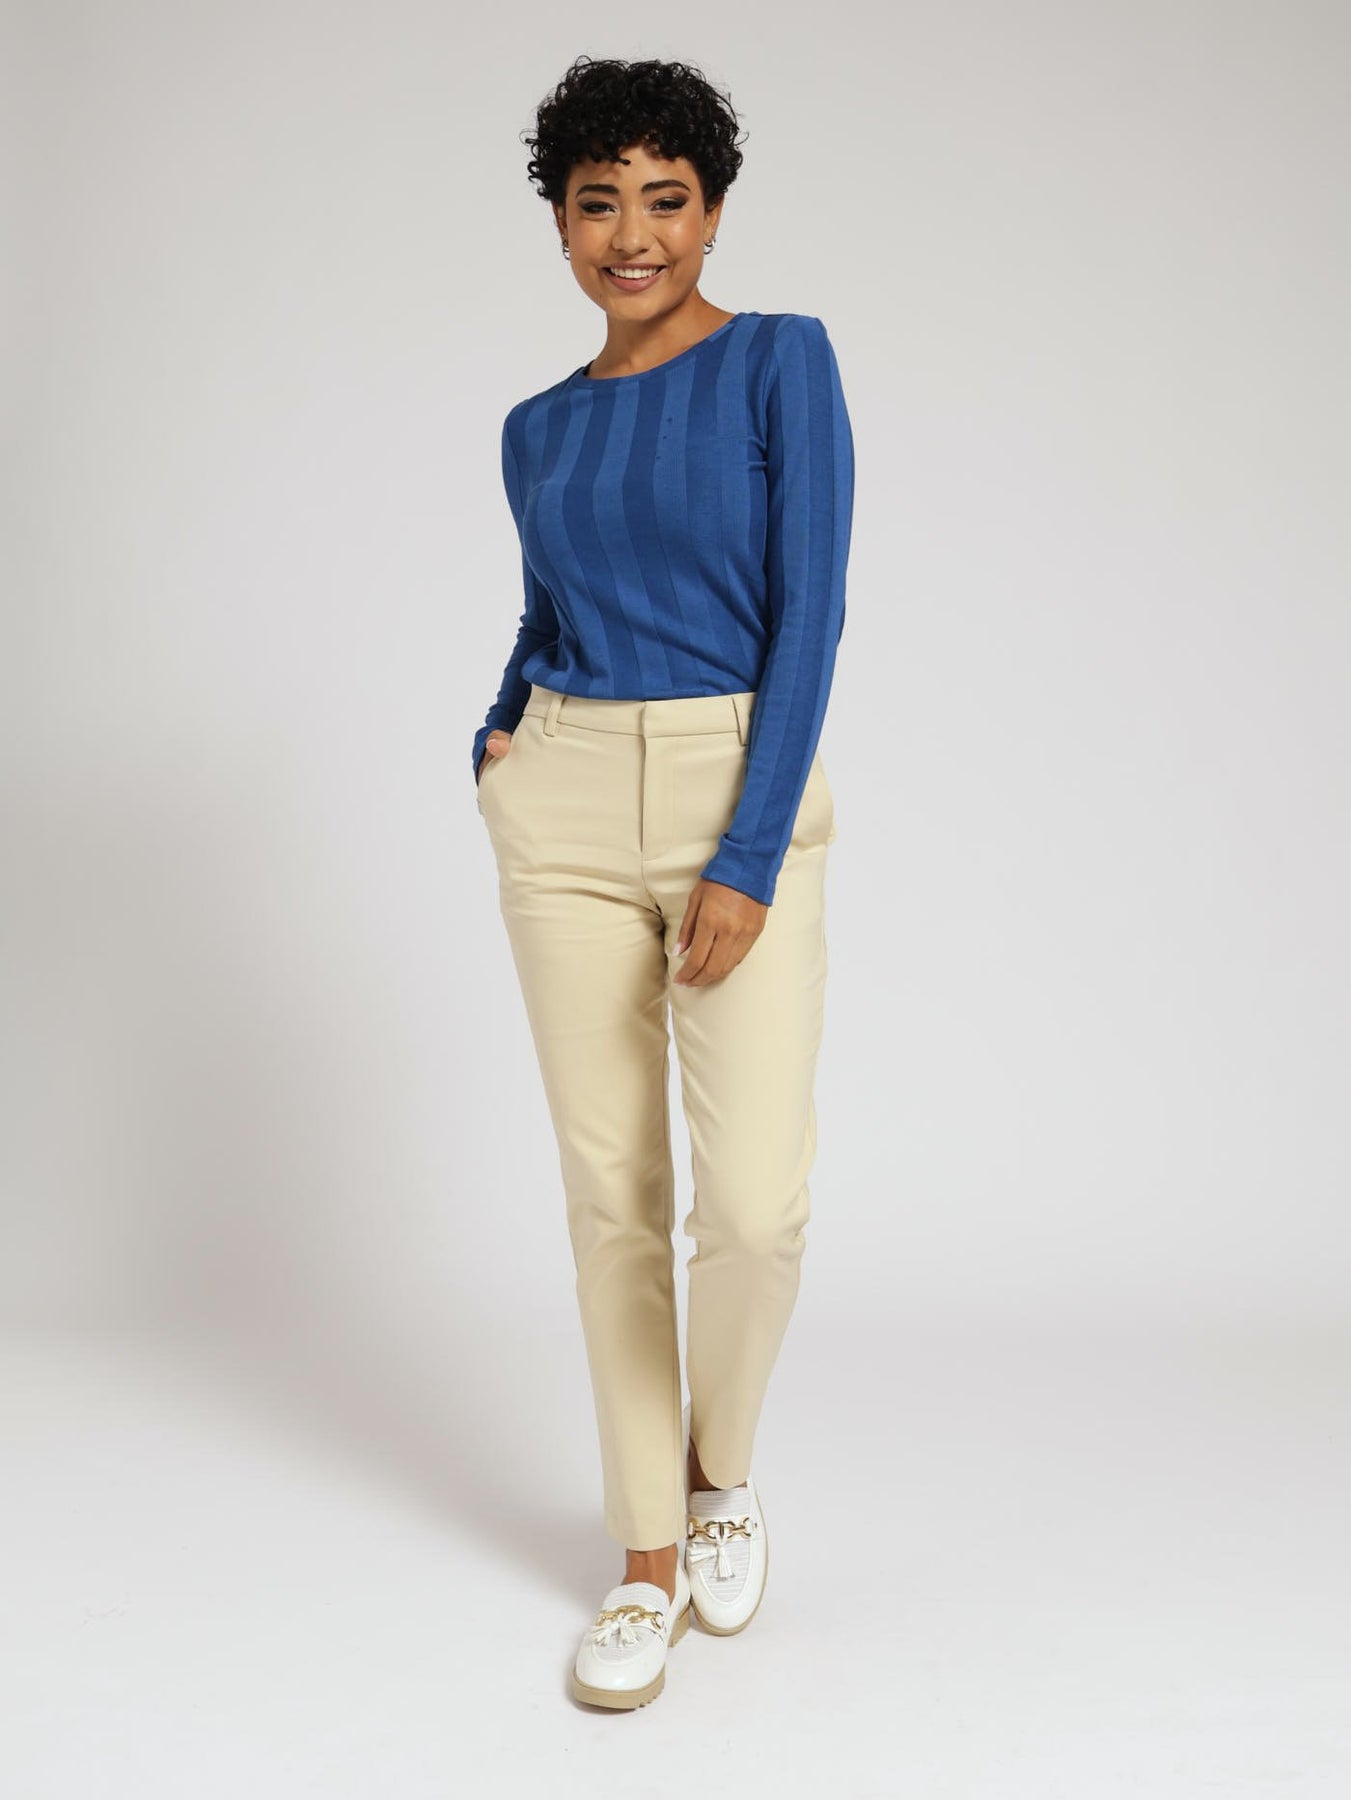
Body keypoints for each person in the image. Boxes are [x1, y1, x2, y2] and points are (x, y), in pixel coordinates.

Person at [472, 54, 854, 1710]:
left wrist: (747, 851)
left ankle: (718, 1472)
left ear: (712, 210)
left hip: (729, 782)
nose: (632, 235)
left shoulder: (782, 362)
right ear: (559, 223)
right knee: (611, 1195)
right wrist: (498, 734)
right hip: (561, 801)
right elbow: (547, 609)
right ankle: (643, 1555)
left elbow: (809, 610)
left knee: (754, 1203)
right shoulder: (535, 427)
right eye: (598, 203)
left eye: (665, 199)